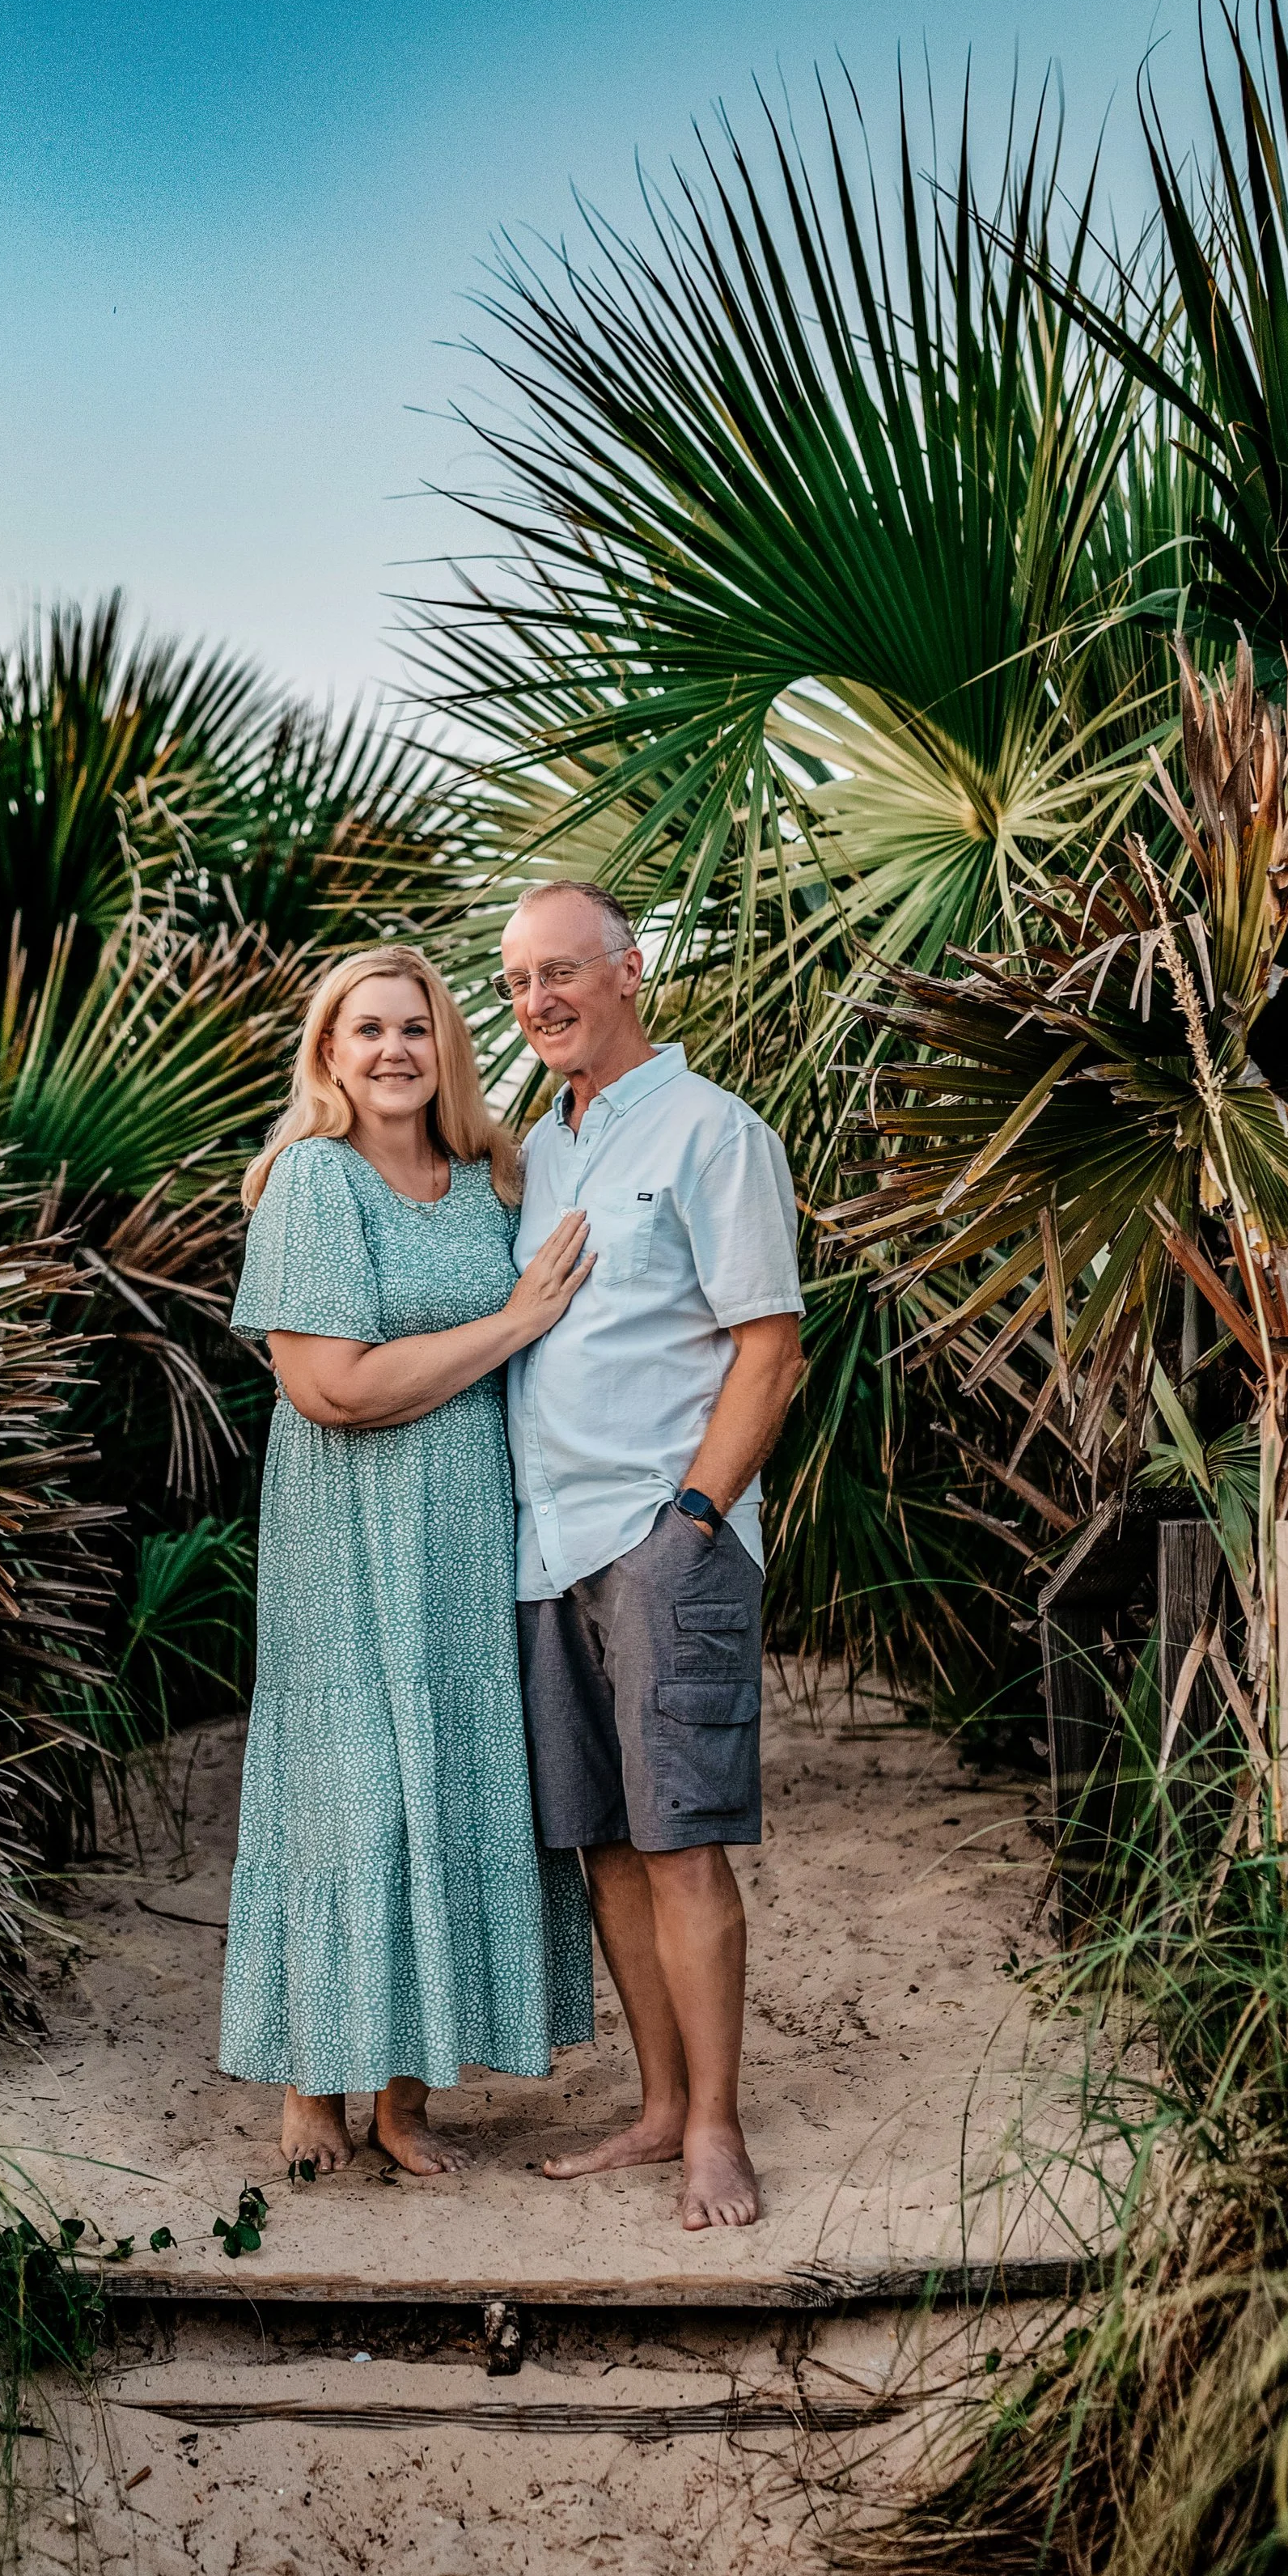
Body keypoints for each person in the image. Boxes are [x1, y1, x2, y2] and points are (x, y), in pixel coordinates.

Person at [221, 944, 597, 2176]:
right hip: (346, 1532)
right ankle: (312, 2083)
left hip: (466, 1533)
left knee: (441, 1779)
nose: (393, 1049)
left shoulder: (493, 1180)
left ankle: (403, 2090)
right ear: (328, 1051)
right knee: (349, 1786)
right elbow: (332, 1388)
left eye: (416, 1028)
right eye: (365, 1028)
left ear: (448, 1048)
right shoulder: (311, 1183)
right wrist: (510, 1323)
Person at [502, 880, 806, 2230]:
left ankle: (721, 2132)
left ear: (631, 972)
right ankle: (661, 2104)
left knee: (680, 1845)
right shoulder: (542, 1147)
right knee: (607, 1848)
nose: (538, 1001)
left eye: (562, 971)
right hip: (546, 1545)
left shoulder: (712, 1131)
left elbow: (770, 1347)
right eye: (516, 982)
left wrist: (692, 1520)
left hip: (660, 1536)